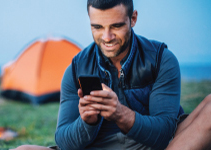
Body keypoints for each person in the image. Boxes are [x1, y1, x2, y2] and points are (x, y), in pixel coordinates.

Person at [12, 0, 211, 149]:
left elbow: (164, 133)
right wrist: (87, 122)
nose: (107, 38)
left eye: (116, 26)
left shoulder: (161, 59)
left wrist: (120, 113)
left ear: (133, 19)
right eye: (97, 27)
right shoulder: (76, 69)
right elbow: (64, 141)